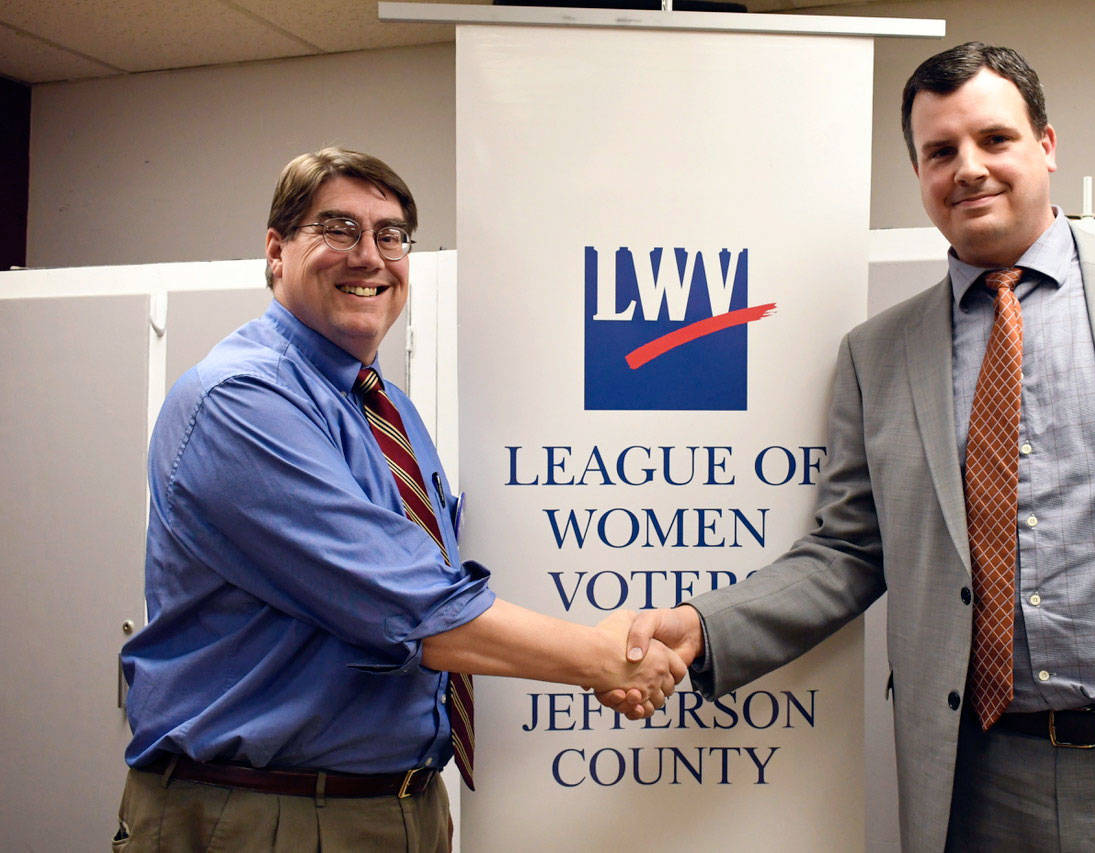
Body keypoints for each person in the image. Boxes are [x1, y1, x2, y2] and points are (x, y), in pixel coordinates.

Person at [612, 43, 1095, 850]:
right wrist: (703, 623)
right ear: (921, 173)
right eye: (940, 152)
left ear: (1047, 145)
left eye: (994, 139)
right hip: (983, 785)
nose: (969, 168)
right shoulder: (879, 354)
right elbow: (849, 552)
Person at [116, 147, 685, 851]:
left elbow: (429, 594)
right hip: (263, 812)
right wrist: (608, 658)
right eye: (339, 229)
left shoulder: (388, 411)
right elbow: (412, 605)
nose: (370, 256)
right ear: (275, 251)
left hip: (398, 804)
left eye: (391, 235)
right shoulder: (241, 400)